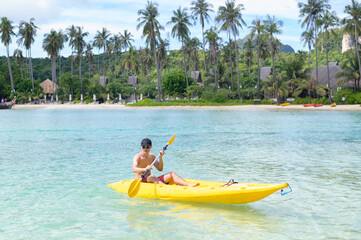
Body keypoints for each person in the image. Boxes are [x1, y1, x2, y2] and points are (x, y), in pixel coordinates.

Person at [132, 138, 199, 187]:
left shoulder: (152, 156)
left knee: (172, 174)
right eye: (144, 147)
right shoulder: (137, 157)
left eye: (147, 147)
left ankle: (188, 185)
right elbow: (134, 169)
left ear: (151, 147)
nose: (145, 149)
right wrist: (144, 169)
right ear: (141, 147)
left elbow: (160, 169)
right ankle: (168, 188)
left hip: (151, 179)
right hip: (141, 181)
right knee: (152, 177)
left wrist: (161, 157)